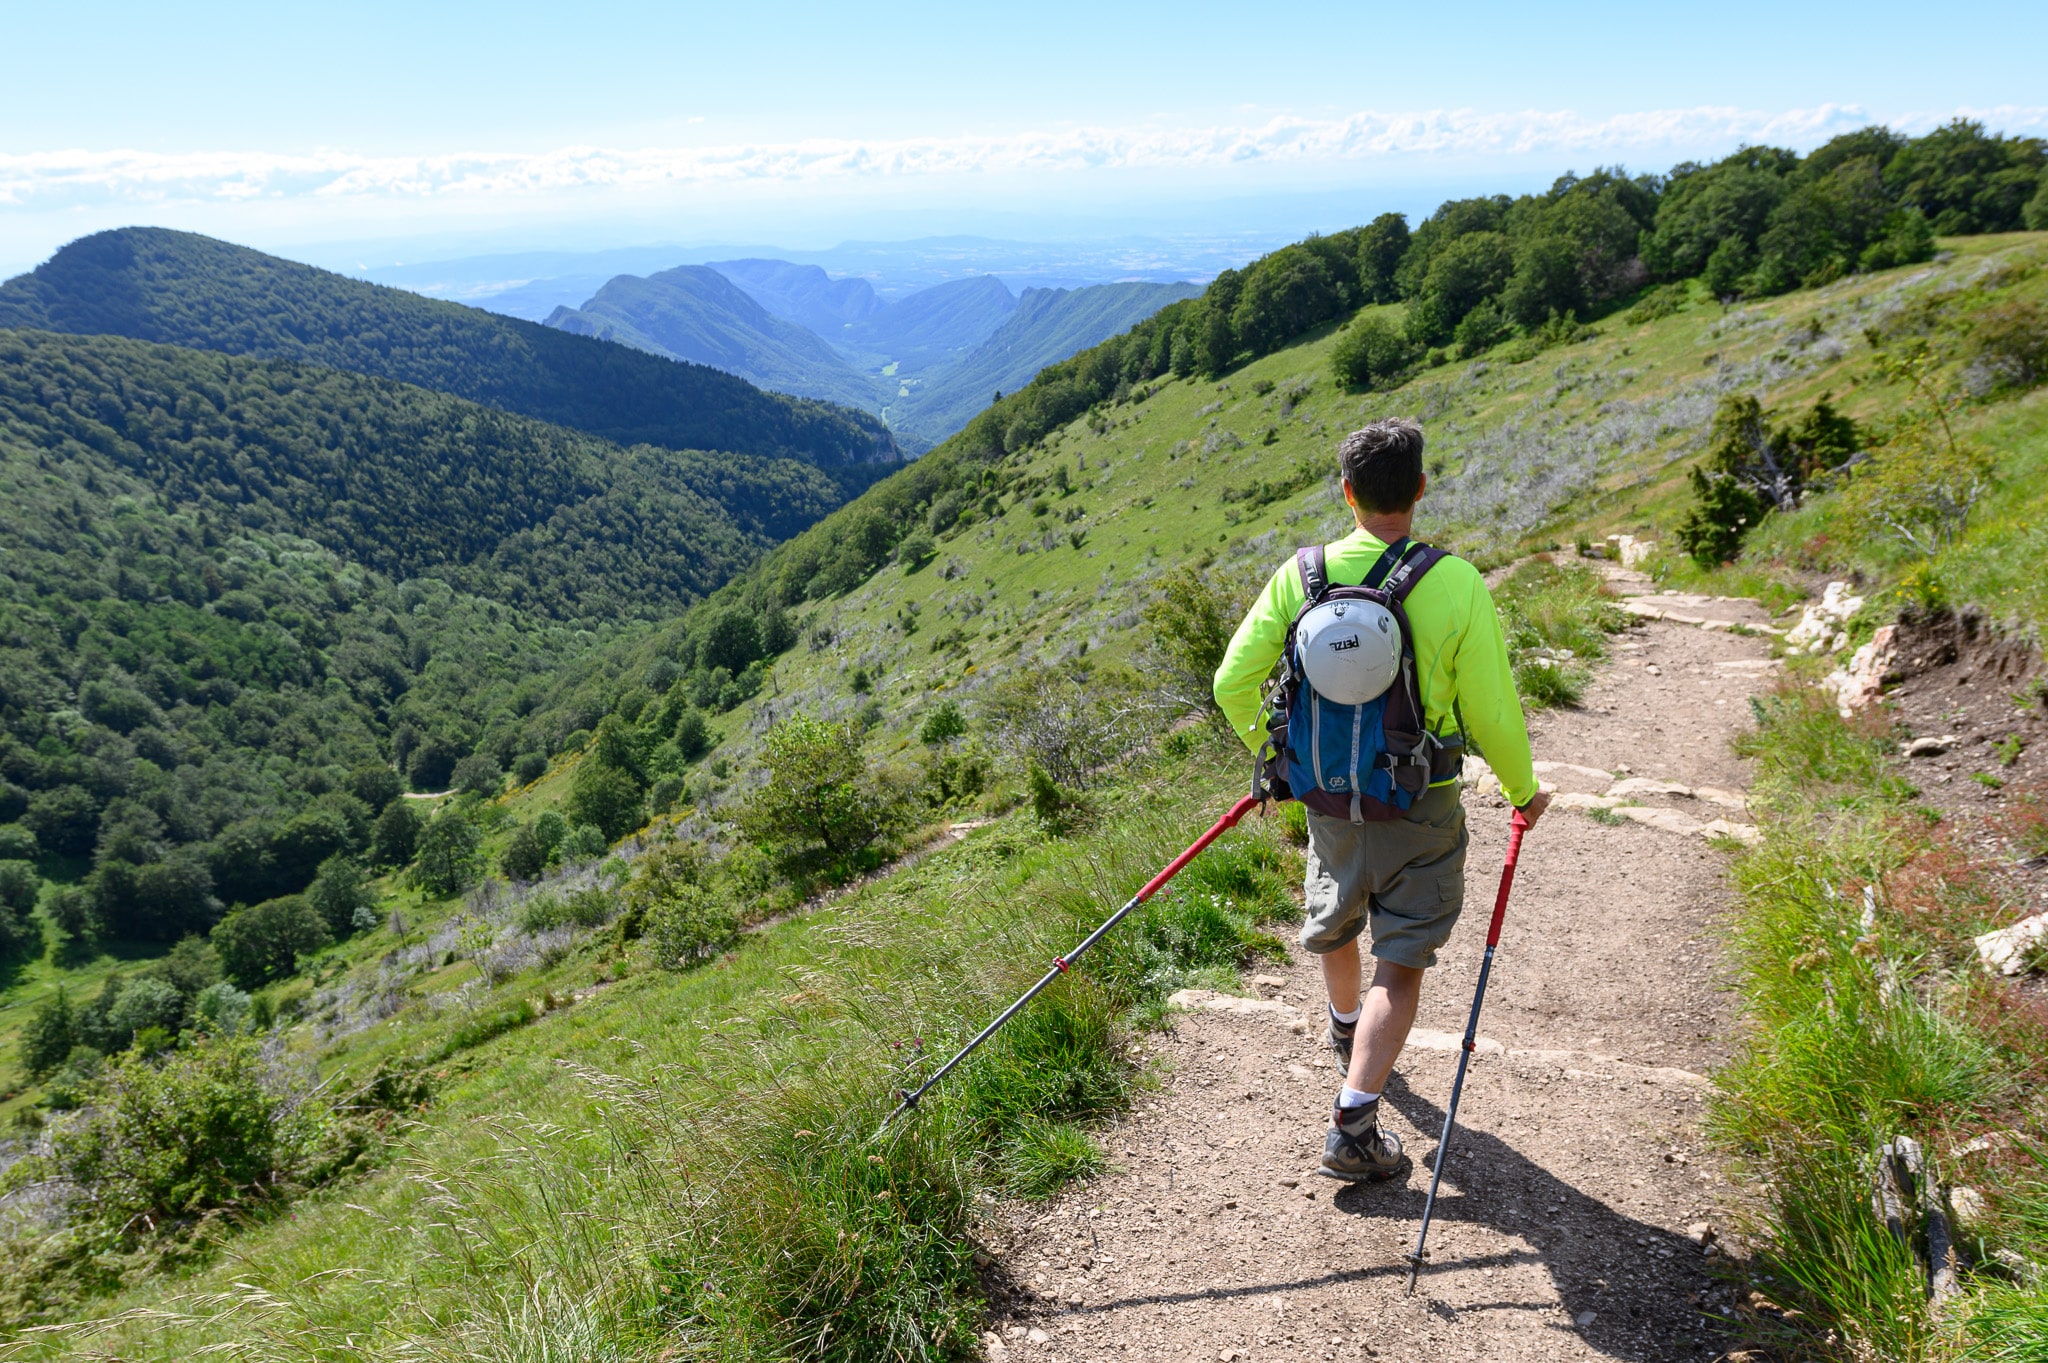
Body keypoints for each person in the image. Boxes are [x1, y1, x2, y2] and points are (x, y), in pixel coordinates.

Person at [1211, 418, 1550, 1182]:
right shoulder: (1455, 582)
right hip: (1419, 800)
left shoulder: (1300, 576)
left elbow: (1232, 681)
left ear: (1348, 492)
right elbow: (1491, 708)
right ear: (1421, 488)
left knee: (1335, 917)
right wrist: (1524, 791)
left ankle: (1344, 1028)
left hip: (1328, 796)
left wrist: (1279, 760)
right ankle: (1353, 1121)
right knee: (1399, 960)